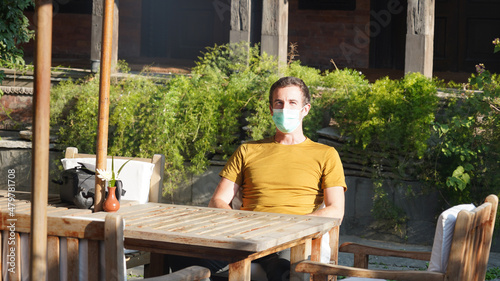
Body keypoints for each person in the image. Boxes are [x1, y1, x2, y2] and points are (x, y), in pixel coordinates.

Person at [168, 76, 346, 281]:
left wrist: (293, 226)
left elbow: (335, 210)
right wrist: (239, 224)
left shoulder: (326, 154)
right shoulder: (248, 150)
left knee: (285, 272)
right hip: (245, 236)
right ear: (271, 110)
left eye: (292, 103)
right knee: (179, 255)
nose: (284, 108)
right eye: (279, 103)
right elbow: (218, 201)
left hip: (291, 239)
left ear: (305, 109)